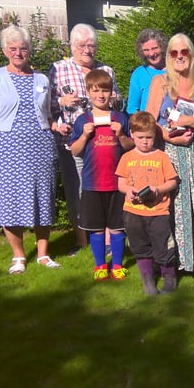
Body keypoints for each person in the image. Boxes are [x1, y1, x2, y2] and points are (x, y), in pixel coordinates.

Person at [0, 25, 60, 274]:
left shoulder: (42, 79)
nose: (18, 53)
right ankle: (18, 256)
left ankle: (43, 254)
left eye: (23, 48)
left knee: (42, 198)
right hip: (7, 147)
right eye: (13, 48)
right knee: (11, 200)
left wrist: (57, 128)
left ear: (29, 51)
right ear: (5, 50)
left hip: (41, 145)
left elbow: (47, 115)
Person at [146, 33, 194, 277]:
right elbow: (149, 120)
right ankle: (178, 261)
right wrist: (169, 137)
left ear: (191, 55)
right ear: (168, 56)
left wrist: (188, 120)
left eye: (184, 52)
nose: (180, 57)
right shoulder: (160, 83)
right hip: (170, 150)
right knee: (175, 208)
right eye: (174, 53)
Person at [48, 23, 119, 256]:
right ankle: (81, 241)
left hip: (104, 142)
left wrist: (113, 100)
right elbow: (45, 105)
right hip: (73, 142)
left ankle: (109, 241)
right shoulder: (58, 69)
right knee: (77, 191)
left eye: (91, 45)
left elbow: (119, 102)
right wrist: (61, 103)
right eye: (82, 46)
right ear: (72, 46)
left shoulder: (106, 70)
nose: (87, 50)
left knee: (107, 188)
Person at [70, 70, 134, 281]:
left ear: (111, 92)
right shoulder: (82, 121)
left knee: (117, 228)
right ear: (88, 92)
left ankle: (116, 265)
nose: (101, 95)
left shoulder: (120, 118)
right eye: (96, 91)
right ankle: (99, 265)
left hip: (117, 184)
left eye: (105, 90)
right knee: (96, 230)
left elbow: (129, 146)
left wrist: (121, 134)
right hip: (92, 184)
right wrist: (86, 134)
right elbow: (75, 150)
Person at [117, 112, 180, 295]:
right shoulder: (127, 157)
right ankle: (147, 279)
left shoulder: (162, 157)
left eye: (149, 137)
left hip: (159, 211)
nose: (145, 141)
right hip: (133, 211)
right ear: (132, 135)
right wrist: (128, 190)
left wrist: (158, 189)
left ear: (155, 136)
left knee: (163, 245)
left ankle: (169, 277)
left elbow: (173, 181)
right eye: (141, 137)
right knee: (140, 246)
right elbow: (121, 182)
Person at [127, 29, 168, 114]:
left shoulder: (175, 69)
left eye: (155, 48)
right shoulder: (139, 74)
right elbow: (132, 109)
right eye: (146, 50)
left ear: (162, 47)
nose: (151, 54)